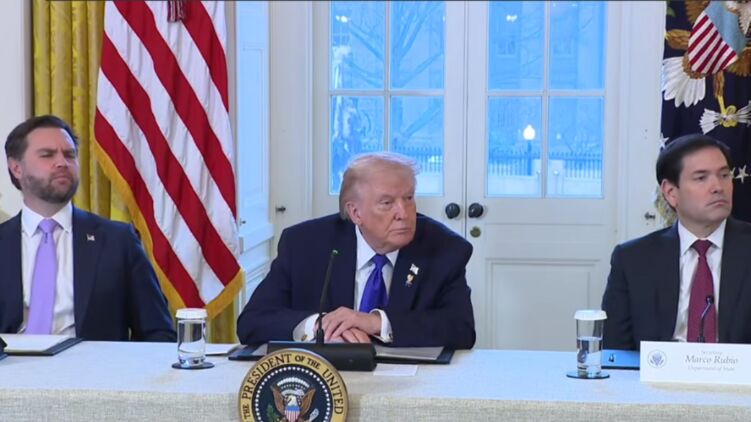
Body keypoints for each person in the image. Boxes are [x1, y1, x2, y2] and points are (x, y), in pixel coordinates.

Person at [237, 152, 475, 349]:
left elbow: (461, 329)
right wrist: (320, 326)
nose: (403, 213)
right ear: (355, 213)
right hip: (326, 376)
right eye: (387, 203)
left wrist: (376, 323)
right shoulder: (304, 245)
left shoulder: (444, 248)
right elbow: (252, 322)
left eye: (409, 198)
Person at [0, 115, 176, 341]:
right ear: (16, 168)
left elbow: (158, 333)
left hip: (95, 363)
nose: (62, 163)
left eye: (69, 154)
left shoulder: (118, 241)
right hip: (11, 363)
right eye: (47, 155)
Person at [602, 133, 751, 350]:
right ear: (671, 193)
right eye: (701, 178)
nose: (718, 187)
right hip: (657, 370)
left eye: (724, 175)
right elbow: (616, 349)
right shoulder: (632, 259)